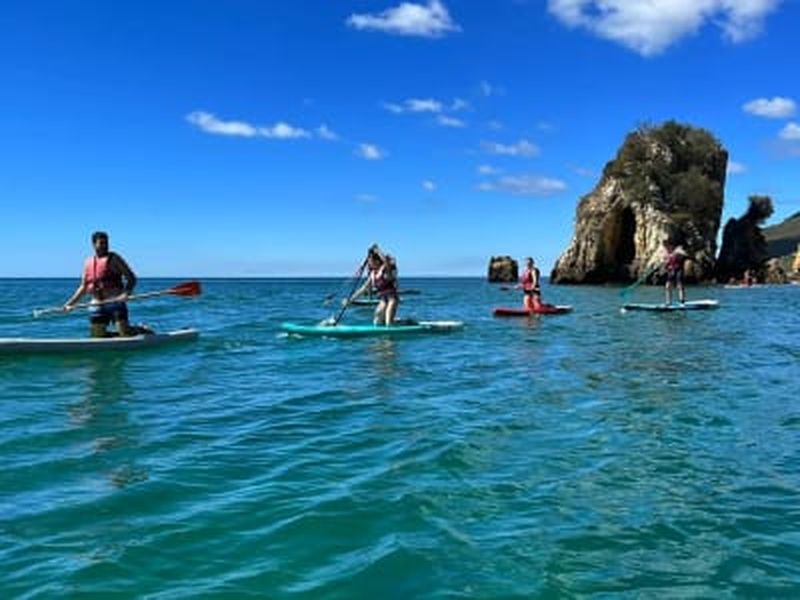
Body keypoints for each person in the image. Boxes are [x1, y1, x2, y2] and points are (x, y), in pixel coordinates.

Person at [63, 231, 140, 337]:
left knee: (125, 334)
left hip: (115, 302)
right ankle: (115, 336)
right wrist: (70, 304)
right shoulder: (88, 262)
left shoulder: (114, 258)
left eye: (106, 243)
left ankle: (141, 330)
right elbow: (83, 287)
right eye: (101, 243)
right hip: (96, 305)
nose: (105, 246)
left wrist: (126, 293)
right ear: (94, 244)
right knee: (98, 337)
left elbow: (132, 278)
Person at [348, 244, 399, 325]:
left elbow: (386, 262)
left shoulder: (385, 270)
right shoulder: (372, 274)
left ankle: (408, 322)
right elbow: (363, 288)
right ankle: (400, 322)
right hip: (383, 299)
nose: (369, 263)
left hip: (392, 299)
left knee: (389, 323)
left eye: (370, 261)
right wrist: (350, 299)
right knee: (377, 322)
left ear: (377, 261)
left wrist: (378, 251)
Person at [663, 239, 687, 305]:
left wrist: (675, 254)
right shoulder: (666, 253)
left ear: (671, 246)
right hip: (671, 271)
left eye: (667, 246)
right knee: (668, 286)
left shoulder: (678, 250)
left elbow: (684, 254)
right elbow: (665, 263)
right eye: (665, 247)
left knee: (679, 285)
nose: (666, 248)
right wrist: (666, 262)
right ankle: (668, 302)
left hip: (678, 270)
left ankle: (682, 301)